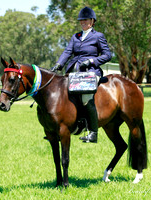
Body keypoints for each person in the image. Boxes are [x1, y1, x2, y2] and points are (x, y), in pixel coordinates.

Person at [51, 7, 112, 143]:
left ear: (92, 21)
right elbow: (67, 52)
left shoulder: (98, 36)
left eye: (86, 20)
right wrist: (58, 64)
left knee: (85, 97)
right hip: (74, 70)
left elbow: (108, 55)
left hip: (91, 72)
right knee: (59, 94)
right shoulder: (75, 36)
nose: (83, 22)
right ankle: (59, 127)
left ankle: (93, 133)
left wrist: (92, 61)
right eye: (81, 20)